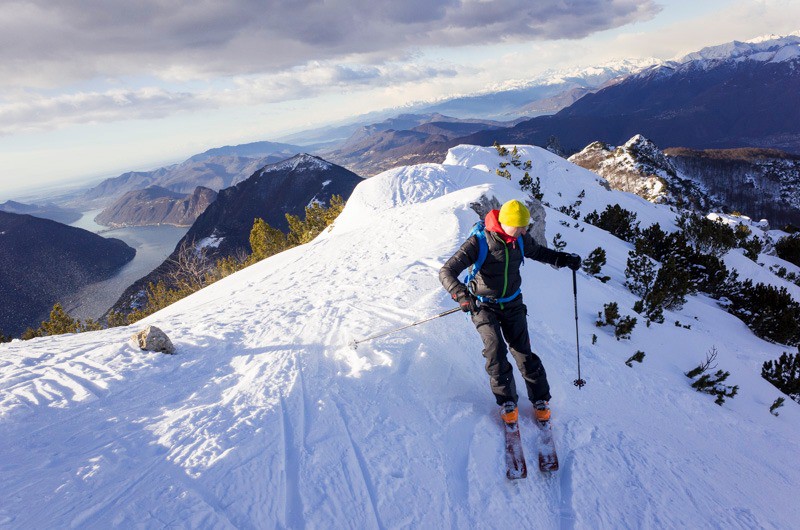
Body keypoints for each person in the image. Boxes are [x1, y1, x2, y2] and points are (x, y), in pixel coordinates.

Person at [439, 199, 581, 425]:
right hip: (483, 305)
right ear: (506, 224)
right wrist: (462, 296)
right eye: (521, 226)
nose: (525, 230)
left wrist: (562, 259)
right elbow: (447, 271)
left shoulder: (520, 240)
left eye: (525, 227)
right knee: (495, 349)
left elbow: (539, 252)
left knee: (523, 351)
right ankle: (507, 401)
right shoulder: (479, 242)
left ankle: (540, 399)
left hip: (513, 303)